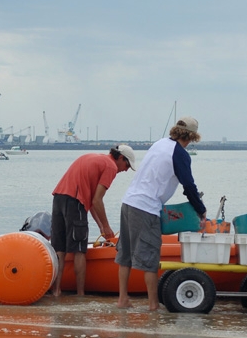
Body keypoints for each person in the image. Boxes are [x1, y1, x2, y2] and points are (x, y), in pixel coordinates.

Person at [116, 117, 207, 311]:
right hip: (146, 208)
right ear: (191, 137)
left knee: (125, 255)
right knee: (150, 258)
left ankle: (123, 299)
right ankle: (153, 305)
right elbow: (189, 186)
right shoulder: (180, 154)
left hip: (128, 202)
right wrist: (201, 209)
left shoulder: (160, 144)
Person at [50, 144, 137, 296]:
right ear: (121, 158)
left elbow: (89, 202)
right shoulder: (110, 167)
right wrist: (107, 227)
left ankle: (56, 290)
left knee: (59, 248)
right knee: (79, 250)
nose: (126, 169)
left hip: (59, 198)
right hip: (74, 201)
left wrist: (101, 227)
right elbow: (97, 200)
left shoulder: (94, 158)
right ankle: (81, 294)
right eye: (127, 165)